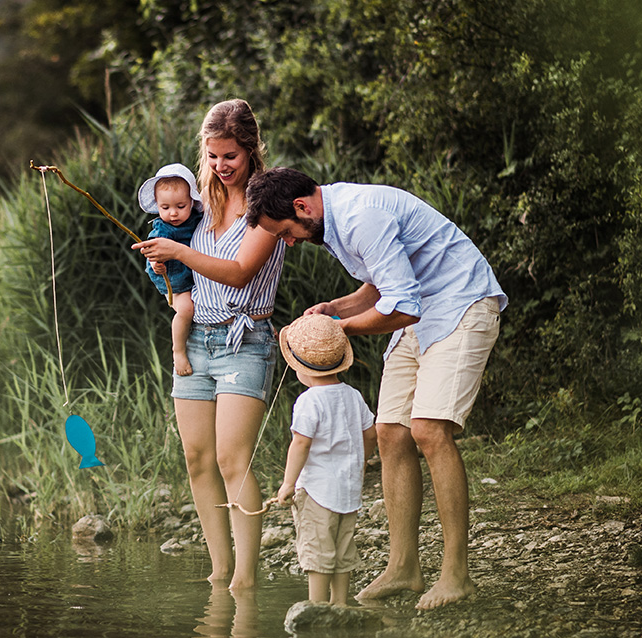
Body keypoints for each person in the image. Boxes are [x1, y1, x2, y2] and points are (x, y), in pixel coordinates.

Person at [244, 167, 506, 610]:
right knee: (390, 431)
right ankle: (404, 567)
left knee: (428, 429)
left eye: (286, 232)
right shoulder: (330, 222)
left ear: (302, 207)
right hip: (422, 312)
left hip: (461, 303)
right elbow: (380, 285)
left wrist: (339, 328)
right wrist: (333, 307)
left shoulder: (362, 216)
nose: (287, 242)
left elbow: (401, 306)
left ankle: (456, 574)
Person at [132, 99, 286, 591]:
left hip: (246, 338)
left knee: (231, 459)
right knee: (198, 459)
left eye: (231, 157)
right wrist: (165, 268)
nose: (221, 167)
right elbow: (185, 276)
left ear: (251, 151)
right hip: (196, 340)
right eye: (214, 156)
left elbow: (240, 275)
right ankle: (220, 572)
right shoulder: (203, 205)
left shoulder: (266, 207)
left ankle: (245, 578)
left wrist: (180, 251)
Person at [274, 313, 377, 606]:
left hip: (317, 492)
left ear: (299, 367)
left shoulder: (308, 401)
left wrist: (287, 484)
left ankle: (316, 608)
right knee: (343, 549)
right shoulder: (353, 395)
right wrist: (360, 461)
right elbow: (371, 434)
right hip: (349, 490)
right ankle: (341, 604)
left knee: (318, 551)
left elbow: (301, 443)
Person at [137, 163, 205, 376]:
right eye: (165, 208)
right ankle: (178, 351)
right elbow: (152, 252)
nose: (173, 213)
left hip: (197, 276)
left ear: (192, 202)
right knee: (186, 309)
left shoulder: (197, 219)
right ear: (157, 205)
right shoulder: (162, 229)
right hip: (175, 281)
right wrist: (157, 265)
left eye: (180, 206)